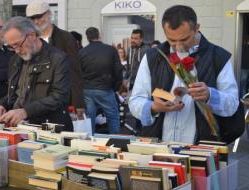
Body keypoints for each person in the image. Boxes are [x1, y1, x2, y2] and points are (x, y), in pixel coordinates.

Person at [128, 5, 239, 143]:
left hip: (202, 146)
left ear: (197, 28)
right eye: (172, 40)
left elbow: (232, 105)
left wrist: (210, 94)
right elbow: (135, 101)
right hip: (158, 145)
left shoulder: (218, 57)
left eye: (184, 39)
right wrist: (153, 107)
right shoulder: (153, 56)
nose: (178, 46)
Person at [0, 16, 73, 130]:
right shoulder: (15, 59)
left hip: (49, 128)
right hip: (21, 127)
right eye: (11, 47)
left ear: (32, 35)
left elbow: (59, 97)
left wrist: (25, 111)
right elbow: (16, 91)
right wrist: (1, 105)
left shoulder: (58, 58)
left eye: (18, 44)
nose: (17, 50)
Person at [26, 1, 85, 119]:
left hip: (60, 100)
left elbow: (74, 71)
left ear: (49, 14)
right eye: (32, 18)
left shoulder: (66, 38)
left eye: (39, 16)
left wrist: (78, 102)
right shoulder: (28, 39)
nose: (36, 21)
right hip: (34, 102)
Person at [78, 27, 123, 134]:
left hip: (87, 90)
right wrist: (115, 87)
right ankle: (115, 142)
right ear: (99, 35)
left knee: (89, 120)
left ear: (87, 38)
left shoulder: (82, 52)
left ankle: (90, 144)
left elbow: (78, 74)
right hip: (105, 89)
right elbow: (118, 70)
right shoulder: (110, 50)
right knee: (113, 117)